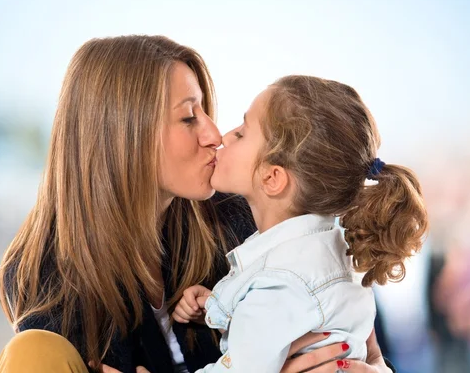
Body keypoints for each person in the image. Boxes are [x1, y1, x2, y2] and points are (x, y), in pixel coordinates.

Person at [0, 35, 395, 373]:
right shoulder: (46, 278)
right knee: (30, 352)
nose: (214, 133)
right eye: (189, 117)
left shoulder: (245, 219)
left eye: (205, 111)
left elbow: (368, 346)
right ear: (124, 136)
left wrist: (370, 367)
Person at [173, 75, 428, 372]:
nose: (222, 137)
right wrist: (220, 304)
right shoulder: (327, 255)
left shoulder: (281, 282)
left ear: (273, 178)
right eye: (188, 118)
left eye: (242, 133)